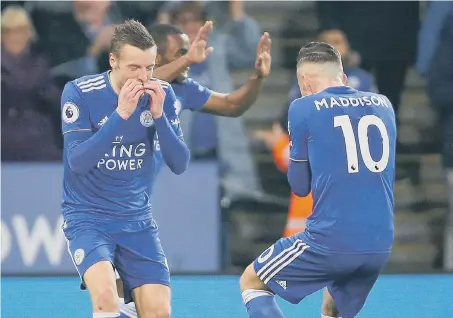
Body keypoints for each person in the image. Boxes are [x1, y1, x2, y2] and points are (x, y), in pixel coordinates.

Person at [117, 22, 271, 318]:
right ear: (157, 57)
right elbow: (141, 87)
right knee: (119, 295)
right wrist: (188, 60)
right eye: (182, 50)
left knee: (134, 301)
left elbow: (231, 105)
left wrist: (257, 77)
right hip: (106, 202)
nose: (193, 56)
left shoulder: (181, 89)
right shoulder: (129, 86)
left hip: (136, 208)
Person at [239, 42, 396, 318]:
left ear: (304, 83)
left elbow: (300, 187)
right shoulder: (384, 105)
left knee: (253, 281)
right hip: (379, 242)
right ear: (343, 78)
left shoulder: (303, 107)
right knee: (331, 310)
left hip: (332, 239)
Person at [61, 20, 190, 318]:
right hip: (88, 217)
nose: (144, 77)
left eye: (150, 67)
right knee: (106, 297)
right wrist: (121, 114)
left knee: (158, 312)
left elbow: (179, 163)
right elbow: (77, 162)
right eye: (134, 68)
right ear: (113, 61)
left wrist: (159, 116)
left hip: (137, 220)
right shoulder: (80, 92)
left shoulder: (162, 94)